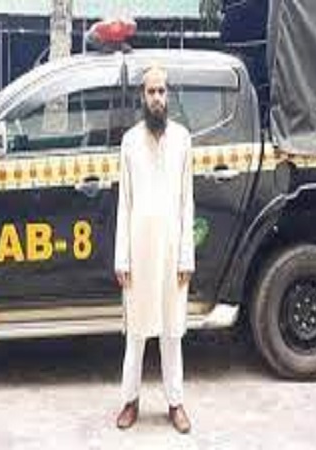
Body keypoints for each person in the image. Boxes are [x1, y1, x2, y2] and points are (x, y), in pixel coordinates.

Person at [114, 65, 195, 434]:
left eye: (162, 91)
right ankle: (130, 401)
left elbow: (187, 202)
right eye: (151, 92)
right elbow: (124, 203)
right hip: (139, 251)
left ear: (168, 95)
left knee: (172, 331)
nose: (157, 98)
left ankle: (175, 403)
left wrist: (186, 255)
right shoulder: (130, 141)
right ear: (142, 97)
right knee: (136, 332)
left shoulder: (182, 139)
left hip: (172, 250)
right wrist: (122, 258)